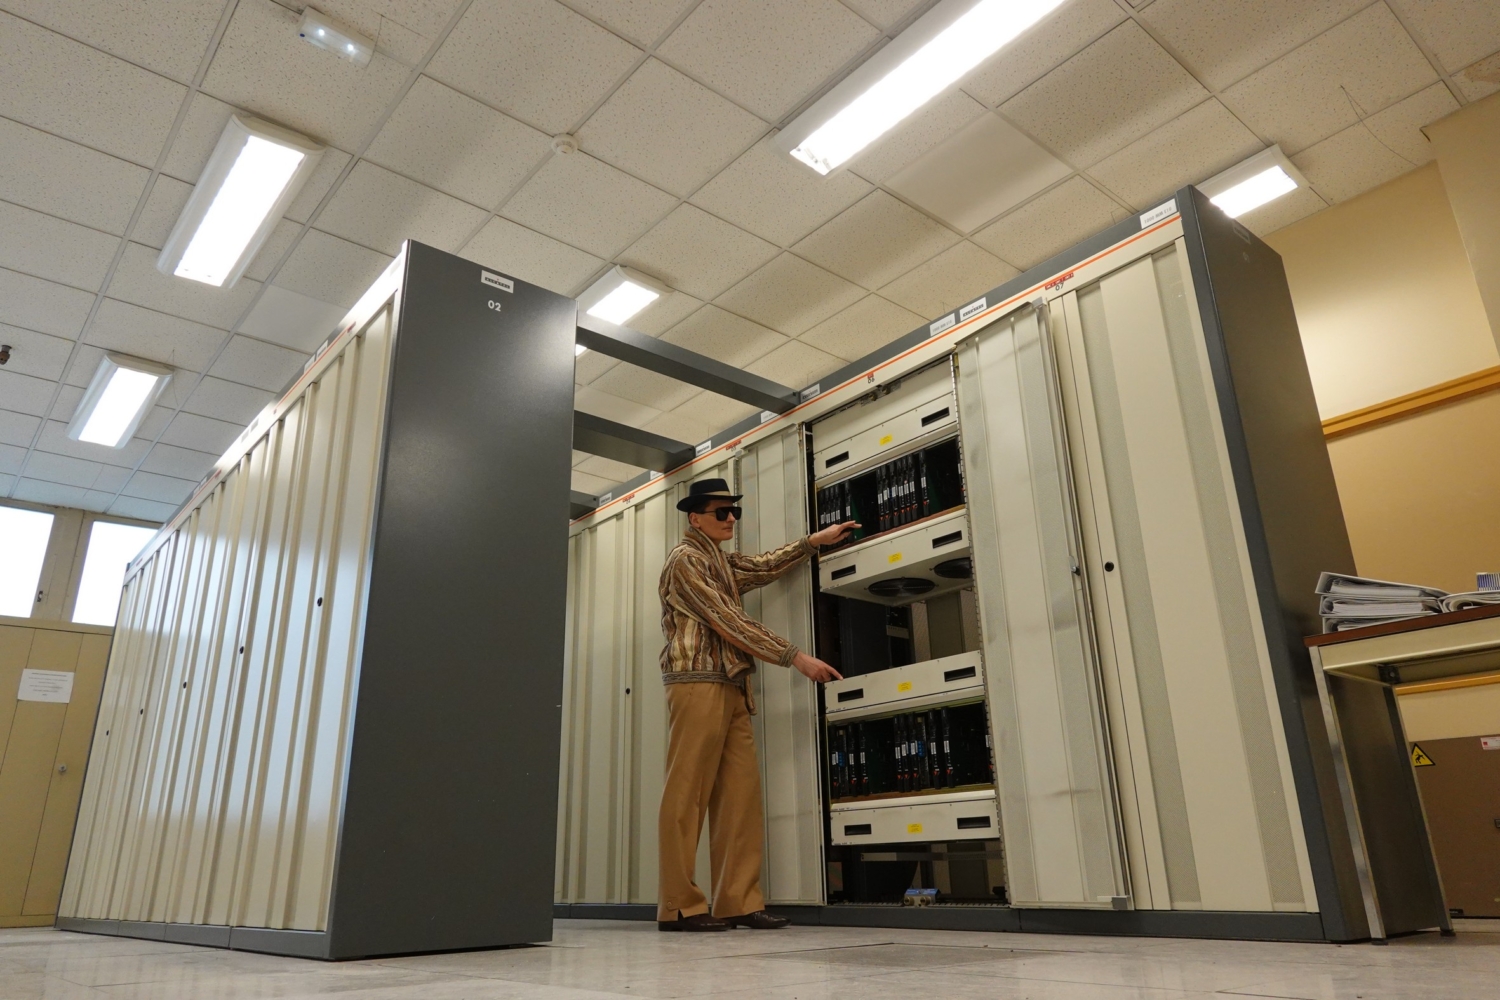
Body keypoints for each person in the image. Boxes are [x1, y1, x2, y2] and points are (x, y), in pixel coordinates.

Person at [656, 477, 857, 932]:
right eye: (721, 512)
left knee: (740, 798)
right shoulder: (685, 560)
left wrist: (813, 542)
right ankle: (679, 906)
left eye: (735, 512)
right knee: (687, 794)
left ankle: (738, 902)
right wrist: (795, 657)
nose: (731, 519)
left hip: (732, 684)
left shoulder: (720, 562)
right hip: (696, 683)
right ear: (695, 519)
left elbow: (763, 567)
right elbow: (727, 619)